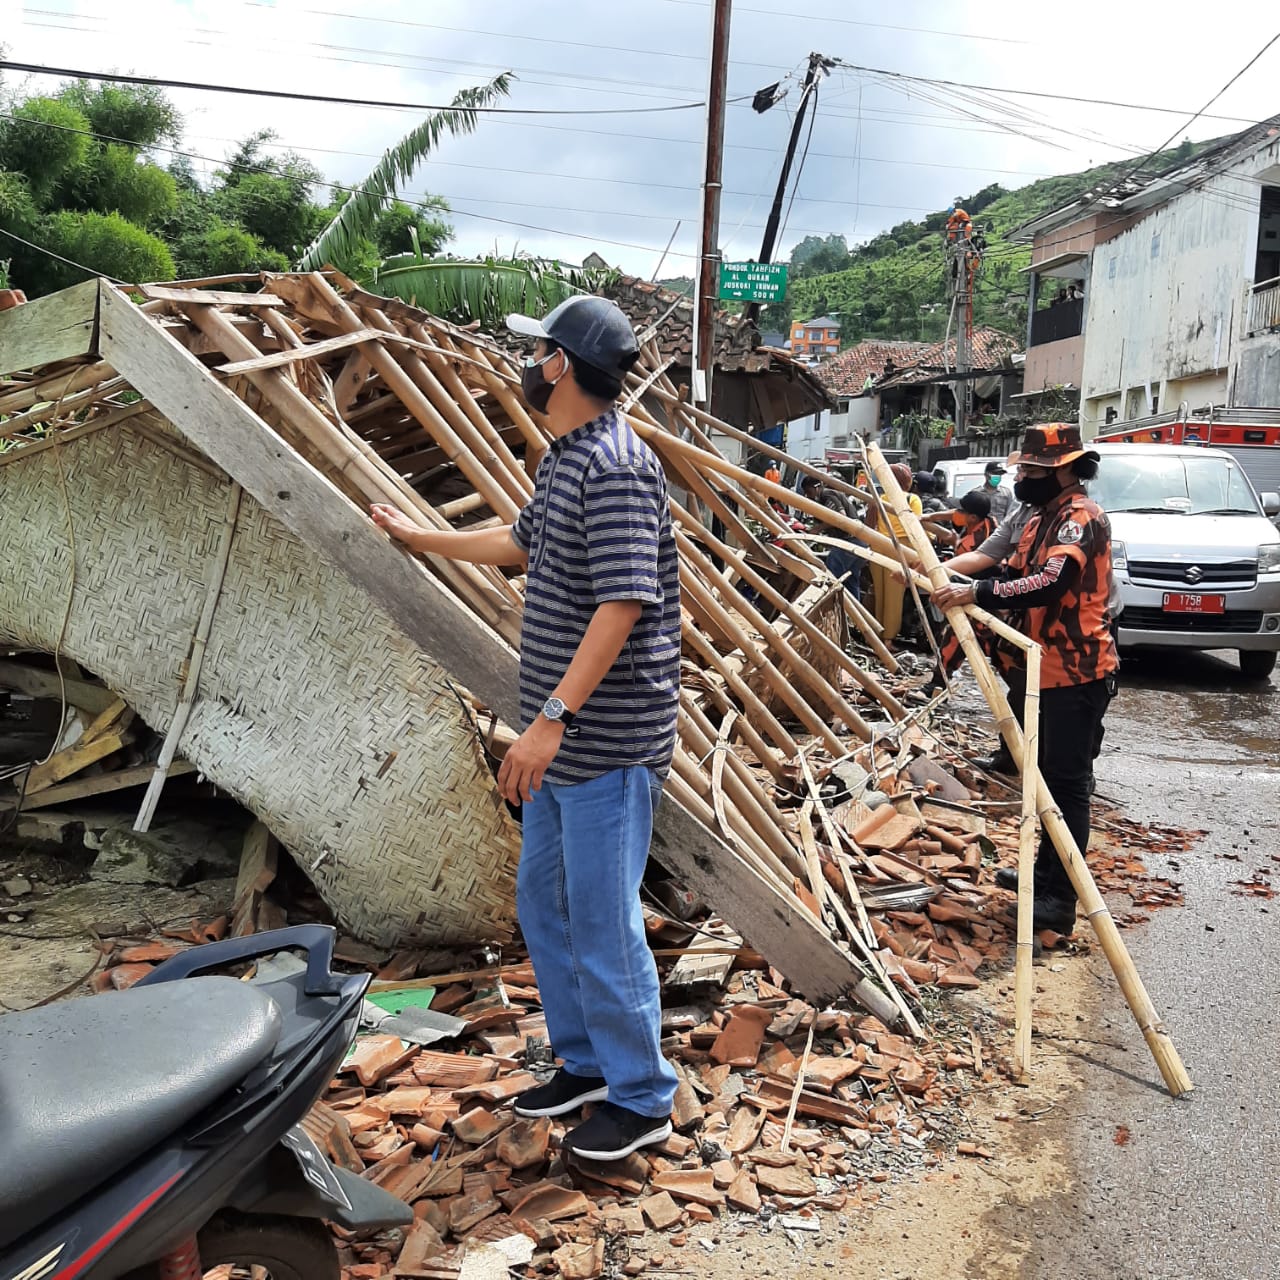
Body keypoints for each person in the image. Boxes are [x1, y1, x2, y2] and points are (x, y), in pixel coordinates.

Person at [371, 295, 681, 1162]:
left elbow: (624, 602)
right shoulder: (568, 458)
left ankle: (643, 1095)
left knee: (601, 917)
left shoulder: (616, 463)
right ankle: (584, 1062)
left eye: (538, 350)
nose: (528, 362)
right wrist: (419, 538)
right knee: (544, 904)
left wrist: (549, 722)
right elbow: (518, 544)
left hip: (601, 742)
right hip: (558, 740)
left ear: (560, 364)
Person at [934, 424, 1119, 935]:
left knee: (1065, 787)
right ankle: (1045, 875)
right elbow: (1010, 570)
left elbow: (1048, 582)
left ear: (1063, 471)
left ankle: (1059, 901)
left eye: (1031, 471)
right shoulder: (1040, 517)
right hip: (1041, 668)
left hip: (1075, 673)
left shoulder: (1080, 518)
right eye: (1021, 468)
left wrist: (976, 594)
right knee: (1042, 784)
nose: (1020, 478)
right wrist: (951, 576)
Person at [868, 463, 923, 643]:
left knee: (880, 594)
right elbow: (916, 528)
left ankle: (876, 636)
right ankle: (888, 640)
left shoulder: (879, 498)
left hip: (879, 546)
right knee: (894, 597)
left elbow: (869, 525)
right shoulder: (911, 500)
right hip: (901, 549)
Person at [801, 473, 863, 601]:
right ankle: (853, 615)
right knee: (851, 582)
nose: (808, 496)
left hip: (850, 541)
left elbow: (840, 517)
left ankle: (830, 608)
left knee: (831, 574)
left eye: (809, 491)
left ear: (817, 488)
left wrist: (817, 529)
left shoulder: (827, 495)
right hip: (859, 542)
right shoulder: (823, 499)